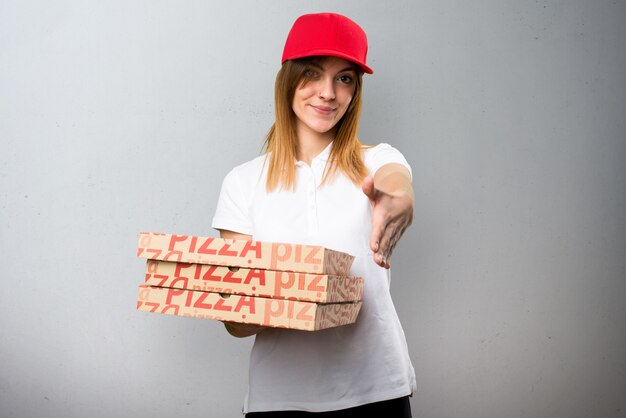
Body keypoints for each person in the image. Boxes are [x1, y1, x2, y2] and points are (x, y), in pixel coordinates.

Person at [211, 12, 417, 417]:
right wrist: (283, 300)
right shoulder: (243, 182)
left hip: (376, 391)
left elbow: (396, 182)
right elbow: (236, 324)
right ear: (287, 79)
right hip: (280, 398)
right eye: (313, 73)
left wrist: (399, 199)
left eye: (344, 78)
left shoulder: (376, 160)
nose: (328, 93)